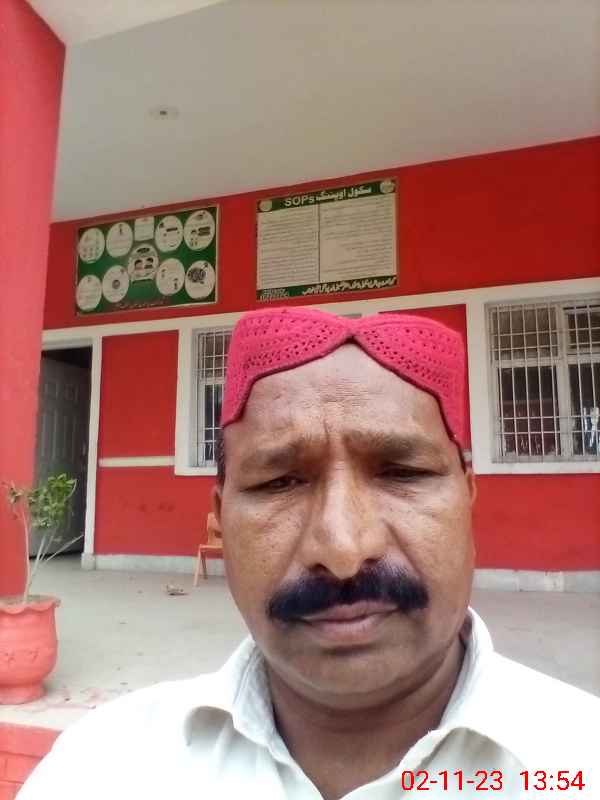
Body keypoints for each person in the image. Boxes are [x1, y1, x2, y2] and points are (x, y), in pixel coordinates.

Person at [18, 307, 599, 799]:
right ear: (220, 518)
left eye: (402, 473)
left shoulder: (579, 762)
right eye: (280, 483)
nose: (343, 550)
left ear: (467, 497)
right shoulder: (104, 769)